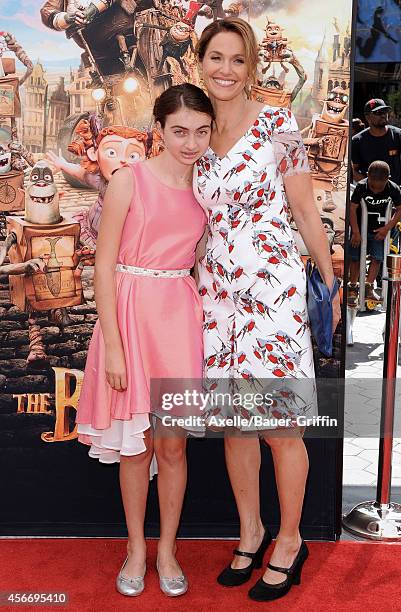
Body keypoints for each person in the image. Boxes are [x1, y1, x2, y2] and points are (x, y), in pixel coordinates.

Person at [194, 17, 340, 603]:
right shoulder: (193, 128)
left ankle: (288, 539)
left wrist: (328, 284)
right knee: (236, 427)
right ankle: (250, 531)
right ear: (198, 62)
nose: (225, 69)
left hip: (273, 289)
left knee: (281, 427)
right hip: (217, 295)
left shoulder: (278, 123)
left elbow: (305, 209)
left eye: (236, 59)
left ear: (251, 66)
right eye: (215, 58)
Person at [75, 83, 213, 597]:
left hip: (178, 321)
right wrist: (113, 345)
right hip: (129, 319)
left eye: (201, 131)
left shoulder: (209, 188)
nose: (190, 142)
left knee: (172, 447)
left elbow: (203, 260)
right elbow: (104, 266)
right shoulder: (129, 182)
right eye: (179, 131)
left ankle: (169, 550)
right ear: (159, 130)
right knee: (135, 450)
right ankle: (136, 547)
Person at [348, 160, 401, 305]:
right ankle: (352, 286)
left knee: (377, 258)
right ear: (367, 177)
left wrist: (387, 228)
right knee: (355, 257)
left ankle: (368, 287)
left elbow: (399, 209)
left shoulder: (393, 189)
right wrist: (356, 231)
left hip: (379, 231)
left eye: (380, 188)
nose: (376, 191)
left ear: (387, 179)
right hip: (359, 229)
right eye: (373, 187)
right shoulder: (361, 187)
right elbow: (352, 208)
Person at [352, 98, 401, 185]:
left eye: (385, 111)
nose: (383, 115)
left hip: (396, 193)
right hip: (369, 194)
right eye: (378, 112)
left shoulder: (398, 135)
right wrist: (371, 186)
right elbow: (354, 171)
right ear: (367, 117)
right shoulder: (357, 141)